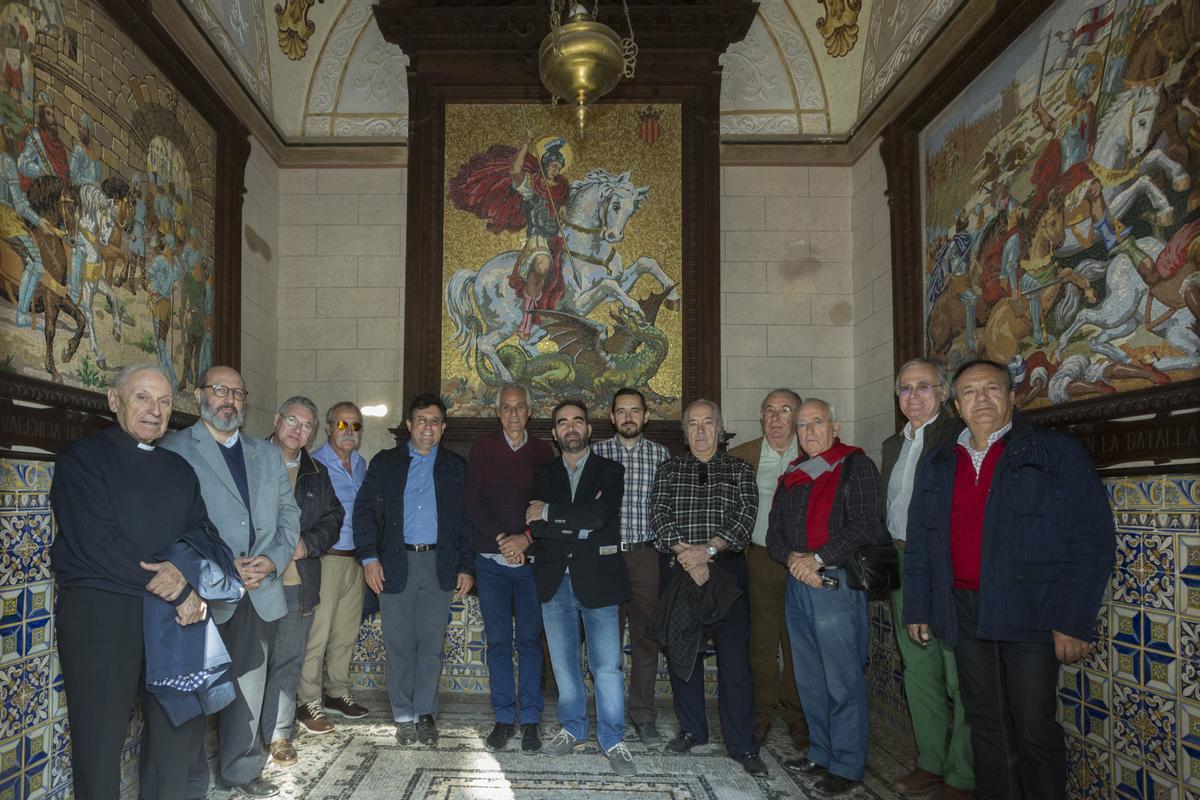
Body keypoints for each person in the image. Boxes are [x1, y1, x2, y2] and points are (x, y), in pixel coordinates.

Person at [903, 359, 1115, 799]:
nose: (980, 399)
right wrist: (920, 606)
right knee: (984, 719)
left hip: (1030, 612)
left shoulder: (1053, 452)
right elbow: (923, 540)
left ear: (1012, 397)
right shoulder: (940, 461)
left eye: (991, 389)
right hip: (962, 609)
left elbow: (1091, 539)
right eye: (969, 392)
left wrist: (1073, 619)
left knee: (1033, 724)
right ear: (956, 405)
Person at [49, 365, 223, 800]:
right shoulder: (81, 460)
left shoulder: (178, 469)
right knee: (99, 741)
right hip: (103, 617)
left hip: (168, 620)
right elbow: (99, 545)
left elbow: (203, 532)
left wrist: (191, 574)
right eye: (143, 397)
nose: (155, 410)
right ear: (114, 400)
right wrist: (177, 586)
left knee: (175, 730)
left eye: (164, 401)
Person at [163, 366, 301, 799]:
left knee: (250, 685)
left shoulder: (267, 453)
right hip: (201, 592)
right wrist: (218, 568)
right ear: (200, 395)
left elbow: (289, 516)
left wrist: (273, 561)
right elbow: (168, 523)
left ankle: (241, 771)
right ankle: (186, 782)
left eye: (238, 393)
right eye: (220, 390)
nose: (229, 400)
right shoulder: (175, 448)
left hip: (259, 591)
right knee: (190, 689)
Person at [768, 398, 888, 797]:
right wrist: (793, 560)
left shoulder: (857, 465)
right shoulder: (793, 474)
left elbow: (867, 524)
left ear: (834, 426)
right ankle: (820, 751)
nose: (808, 431)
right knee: (810, 678)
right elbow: (774, 534)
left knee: (842, 680)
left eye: (816, 422)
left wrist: (817, 559)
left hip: (835, 585)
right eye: (801, 425)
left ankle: (848, 764)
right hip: (798, 584)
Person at [650, 399, 767, 777]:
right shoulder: (669, 468)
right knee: (684, 656)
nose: (701, 431)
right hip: (680, 569)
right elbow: (659, 513)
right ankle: (692, 730)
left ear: (720, 427)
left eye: (708, 423)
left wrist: (709, 551)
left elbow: (745, 516)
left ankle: (742, 744)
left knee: (735, 661)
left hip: (727, 571)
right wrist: (686, 555)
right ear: (684, 432)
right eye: (693, 424)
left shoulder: (739, 470)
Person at [353, 394, 474, 746]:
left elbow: (466, 522)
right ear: (409, 425)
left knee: (431, 645)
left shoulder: (455, 467)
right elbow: (363, 512)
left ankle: (425, 715)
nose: (428, 427)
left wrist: (466, 566)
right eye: (421, 420)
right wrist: (369, 558)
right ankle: (403, 715)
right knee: (399, 644)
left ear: (443, 428)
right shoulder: (386, 463)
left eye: (435, 421)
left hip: (439, 566)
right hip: (394, 564)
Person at [525, 399, 636, 776]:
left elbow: (601, 516)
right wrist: (577, 520)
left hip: (599, 580)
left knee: (607, 666)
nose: (570, 428)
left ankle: (612, 738)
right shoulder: (543, 474)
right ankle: (572, 728)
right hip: (554, 579)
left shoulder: (611, 470)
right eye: (562, 423)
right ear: (554, 433)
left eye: (577, 421)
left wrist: (552, 512)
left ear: (589, 429)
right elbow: (536, 528)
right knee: (564, 663)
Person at [881, 360, 971, 800]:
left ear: (943, 392)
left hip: (947, 570)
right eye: (904, 388)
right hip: (902, 565)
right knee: (919, 668)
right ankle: (931, 761)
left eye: (923, 387)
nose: (913, 396)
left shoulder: (957, 437)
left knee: (959, 673)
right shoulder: (891, 446)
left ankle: (963, 773)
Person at [464, 382, 555, 753]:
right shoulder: (483, 448)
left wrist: (526, 540)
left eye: (520, 407)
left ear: (529, 412)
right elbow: (472, 500)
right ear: (498, 412)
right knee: (500, 642)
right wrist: (505, 538)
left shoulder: (542, 451)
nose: (514, 413)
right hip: (491, 563)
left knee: (530, 643)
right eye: (507, 407)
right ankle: (504, 717)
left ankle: (531, 719)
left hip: (531, 564)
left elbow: (549, 505)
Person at [260, 397, 344, 767]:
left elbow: (334, 517)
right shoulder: (249, 460)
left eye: (306, 425)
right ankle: (244, 739)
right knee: (249, 663)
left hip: (296, 583)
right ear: (277, 419)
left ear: (313, 433)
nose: (297, 429)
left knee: (288, 661)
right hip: (252, 583)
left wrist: (308, 544)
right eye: (292, 420)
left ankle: (279, 734)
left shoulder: (316, 473)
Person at [728, 388, 810, 751]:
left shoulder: (815, 454)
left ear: (797, 416)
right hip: (759, 558)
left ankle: (798, 715)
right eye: (769, 411)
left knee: (798, 641)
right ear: (760, 417)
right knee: (761, 640)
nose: (776, 418)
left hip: (804, 561)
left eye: (785, 410)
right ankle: (763, 711)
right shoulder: (740, 456)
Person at [591, 387, 670, 746]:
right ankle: (609, 715)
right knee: (604, 641)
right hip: (605, 557)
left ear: (645, 416)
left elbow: (667, 509)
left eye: (634, 411)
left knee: (645, 639)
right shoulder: (596, 454)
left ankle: (643, 714)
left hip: (645, 556)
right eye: (621, 411)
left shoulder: (661, 455)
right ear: (611, 417)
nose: (628, 417)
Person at [299, 402, 371, 733]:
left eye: (355, 426)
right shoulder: (312, 463)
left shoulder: (361, 464)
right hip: (324, 559)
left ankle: (337, 692)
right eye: (342, 425)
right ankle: (307, 699)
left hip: (355, 560)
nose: (349, 432)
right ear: (328, 428)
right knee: (318, 633)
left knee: (345, 633)